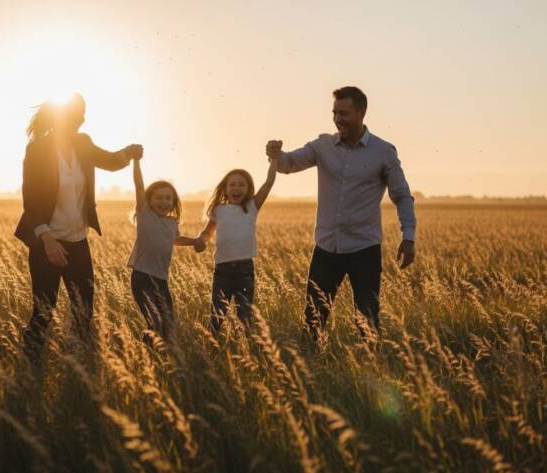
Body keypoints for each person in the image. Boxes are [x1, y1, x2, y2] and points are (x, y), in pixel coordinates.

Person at [265, 86, 416, 341]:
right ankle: (310, 373)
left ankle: (369, 371)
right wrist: (276, 154)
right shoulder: (322, 145)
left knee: (367, 322)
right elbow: (289, 164)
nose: (337, 119)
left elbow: (401, 195)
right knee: (313, 320)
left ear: (362, 112)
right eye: (335, 113)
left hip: (364, 249)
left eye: (344, 113)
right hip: (326, 248)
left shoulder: (383, 152)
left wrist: (408, 237)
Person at [14, 93, 143, 362]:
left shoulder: (83, 144)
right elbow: (31, 199)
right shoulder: (37, 150)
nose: (80, 120)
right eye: (75, 115)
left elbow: (109, 161)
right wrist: (48, 241)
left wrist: (129, 153)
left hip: (78, 241)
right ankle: (29, 367)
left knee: (84, 310)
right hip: (47, 243)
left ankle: (82, 366)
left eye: (82, 115)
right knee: (43, 311)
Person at [195, 157, 278, 332]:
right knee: (217, 315)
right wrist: (201, 240)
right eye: (232, 184)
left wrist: (274, 160)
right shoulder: (219, 210)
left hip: (244, 270)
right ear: (225, 189)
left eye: (241, 185)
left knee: (244, 317)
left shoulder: (252, 206)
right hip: (222, 270)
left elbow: (269, 183)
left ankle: (244, 350)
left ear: (248, 189)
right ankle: (213, 348)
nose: (236, 188)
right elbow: (207, 232)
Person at [127, 157, 202, 340]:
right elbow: (138, 185)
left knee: (168, 323)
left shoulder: (172, 222)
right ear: (149, 199)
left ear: (174, 201)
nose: (164, 201)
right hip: (142, 277)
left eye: (168, 198)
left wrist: (195, 241)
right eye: (158, 197)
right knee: (154, 322)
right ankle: (147, 356)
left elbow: (176, 239)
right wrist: (136, 162)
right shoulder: (145, 214)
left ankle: (162, 357)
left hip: (161, 280)